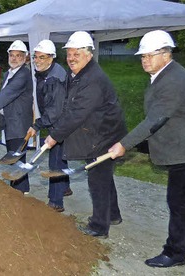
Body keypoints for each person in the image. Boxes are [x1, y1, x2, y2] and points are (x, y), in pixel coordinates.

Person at [108, 30, 185, 267]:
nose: (144, 60)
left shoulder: (173, 80)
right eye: (142, 56)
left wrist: (124, 144)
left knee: (178, 200)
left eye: (149, 55)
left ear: (166, 54)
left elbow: (155, 119)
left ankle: (175, 253)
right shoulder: (165, 74)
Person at [43, 31, 127, 238]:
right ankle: (113, 214)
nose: (71, 58)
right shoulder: (80, 75)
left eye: (76, 54)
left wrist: (54, 136)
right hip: (100, 131)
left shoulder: (93, 79)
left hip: (104, 135)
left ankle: (99, 226)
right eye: (69, 54)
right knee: (103, 176)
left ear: (89, 54)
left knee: (97, 179)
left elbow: (77, 113)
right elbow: (69, 106)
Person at [0, 40, 33, 193]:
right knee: (14, 156)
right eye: (12, 55)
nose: (14, 58)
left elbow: (7, 93)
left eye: (18, 55)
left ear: (25, 57)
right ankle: (20, 188)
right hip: (10, 122)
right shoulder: (9, 73)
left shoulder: (23, 74)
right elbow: (3, 93)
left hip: (18, 123)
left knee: (17, 158)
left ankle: (19, 191)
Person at [26, 39, 70, 212]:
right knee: (61, 157)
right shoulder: (45, 72)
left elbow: (55, 110)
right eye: (35, 57)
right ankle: (65, 187)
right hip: (58, 121)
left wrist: (37, 125)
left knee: (56, 161)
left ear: (51, 58)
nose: (37, 60)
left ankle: (56, 202)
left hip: (59, 124)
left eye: (42, 57)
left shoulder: (55, 79)